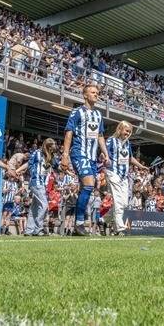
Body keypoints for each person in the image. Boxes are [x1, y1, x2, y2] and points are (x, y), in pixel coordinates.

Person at [60, 84, 110, 236]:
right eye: (93, 92)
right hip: (78, 153)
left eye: (97, 93)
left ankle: (77, 226)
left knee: (86, 188)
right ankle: (80, 224)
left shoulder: (98, 115)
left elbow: (100, 136)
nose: (96, 95)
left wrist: (105, 153)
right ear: (85, 95)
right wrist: (65, 155)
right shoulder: (77, 112)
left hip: (92, 157)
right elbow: (68, 133)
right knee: (89, 184)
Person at [104, 121, 148, 236]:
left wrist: (140, 166)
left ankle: (104, 220)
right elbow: (105, 153)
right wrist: (104, 157)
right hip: (113, 173)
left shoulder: (127, 143)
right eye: (126, 130)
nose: (128, 133)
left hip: (124, 176)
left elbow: (130, 158)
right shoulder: (111, 141)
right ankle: (120, 229)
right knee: (118, 202)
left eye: (129, 132)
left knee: (124, 204)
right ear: (119, 130)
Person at [16, 138, 58, 236]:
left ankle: (29, 230)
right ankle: (38, 229)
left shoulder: (51, 156)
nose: (54, 148)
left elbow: (57, 166)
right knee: (44, 205)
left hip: (43, 184)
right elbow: (28, 163)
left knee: (34, 207)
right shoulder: (37, 153)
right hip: (36, 182)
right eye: (52, 146)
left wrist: (68, 171)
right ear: (48, 146)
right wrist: (18, 170)